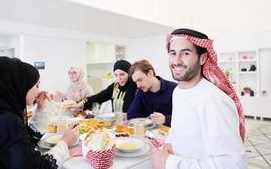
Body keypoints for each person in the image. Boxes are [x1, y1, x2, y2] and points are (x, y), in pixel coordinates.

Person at [151, 28, 246, 168]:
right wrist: (170, 143)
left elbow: (233, 165)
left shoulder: (214, 100)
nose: (176, 61)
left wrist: (169, 163)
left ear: (203, 58)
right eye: (173, 53)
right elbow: (178, 129)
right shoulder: (178, 91)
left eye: (185, 53)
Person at [0, 57, 78, 169]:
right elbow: (39, 166)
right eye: (36, 85)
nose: (38, 91)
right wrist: (65, 143)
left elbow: (26, 141)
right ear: (18, 84)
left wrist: (40, 109)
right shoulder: (5, 121)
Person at [68, 60, 137, 113]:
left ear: (129, 74)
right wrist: (81, 103)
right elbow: (98, 97)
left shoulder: (136, 87)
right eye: (116, 75)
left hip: (133, 126)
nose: (119, 78)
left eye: (122, 74)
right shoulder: (114, 86)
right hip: (117, 127)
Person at [127, 59, 177, 126]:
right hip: (149, 134)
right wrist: (150, 121)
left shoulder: (174, 89)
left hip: (171, 134)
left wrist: (165, 119)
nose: (138, 85)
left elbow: (185, 118)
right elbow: (131, 114)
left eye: (140, 80)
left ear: (150, 73)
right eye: (135, 82)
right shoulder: (141, 91)